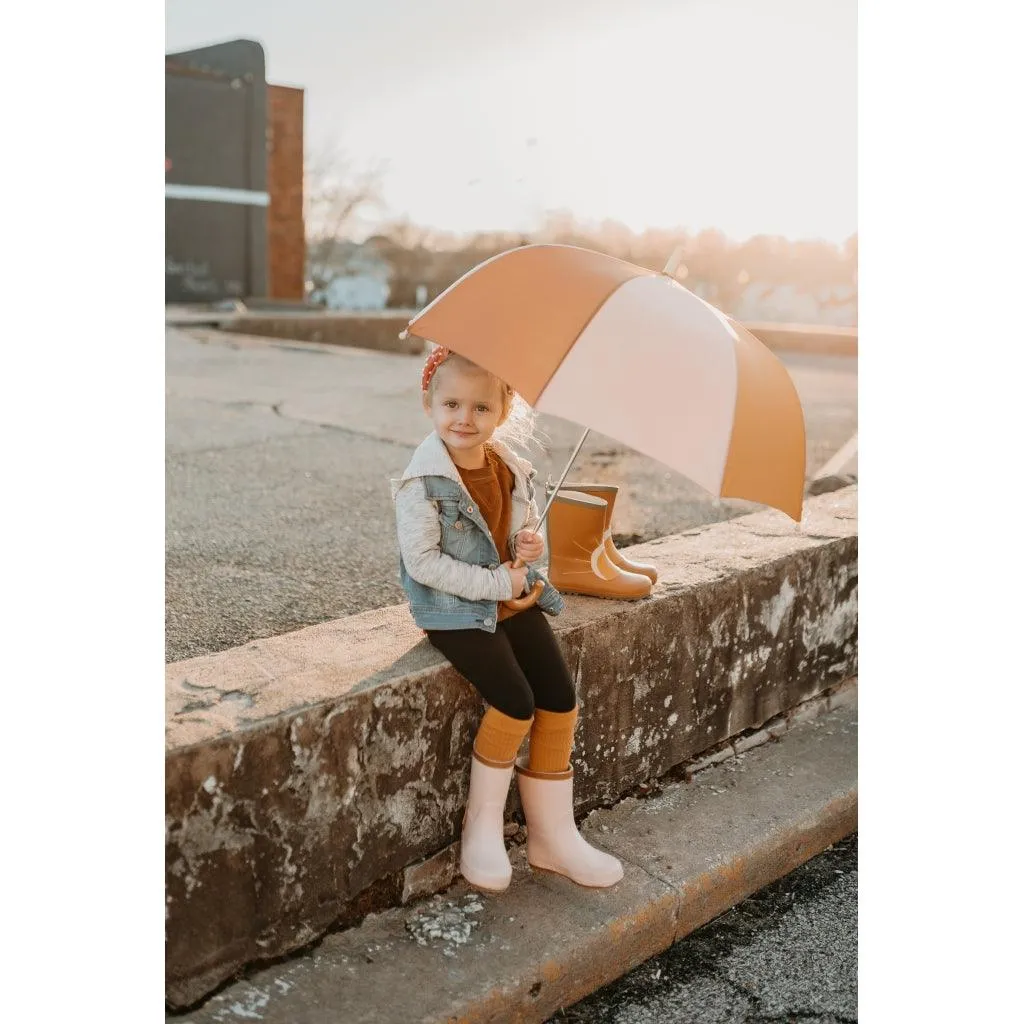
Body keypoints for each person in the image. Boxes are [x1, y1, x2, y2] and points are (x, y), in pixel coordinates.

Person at [391, 344, 624, 893]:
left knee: (559, 696)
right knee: (516, 702)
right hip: (453, 610)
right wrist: (500, 582)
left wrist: (529, 548)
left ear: (503, 412)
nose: (463, 419)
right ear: (429, 404)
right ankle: (482, 827)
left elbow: (521, 551)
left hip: (511, 598)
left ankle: (553, 836)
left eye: (480, 408)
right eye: (451, 404)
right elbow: (424, 565)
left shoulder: (512, 469)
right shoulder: (422, 483)